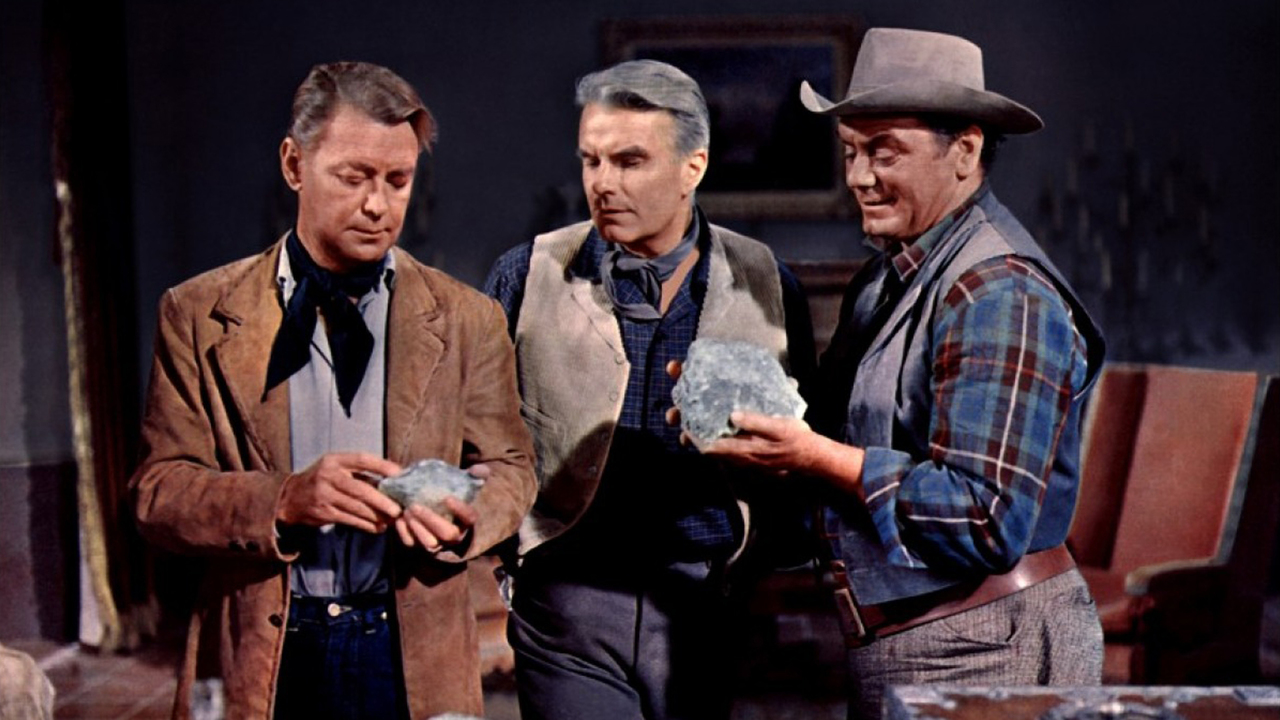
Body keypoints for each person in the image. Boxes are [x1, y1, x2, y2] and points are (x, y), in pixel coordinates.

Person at [688, 28, 1107, 719]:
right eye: (850, 151)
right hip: (916, 643)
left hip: (988, 648)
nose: (859, 177)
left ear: (965, 151)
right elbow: (834, 444)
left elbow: (986, 516)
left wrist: (814, 455)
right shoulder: (886, 280)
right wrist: (740, 432)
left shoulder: (999, 291)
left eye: (885, 152)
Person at [129, 61, 536, 720]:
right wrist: (284, 499)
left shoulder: (468, 319)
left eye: (397, 181)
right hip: (263, 654)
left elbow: (512, 470)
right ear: (294, 164)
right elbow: (158, 493)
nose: (378, 205)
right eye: (353, 177)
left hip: (412, 652)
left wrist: (463, 515)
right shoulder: (197, 313)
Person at [483, 59, 814, 720]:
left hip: (706, 605)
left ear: (694, 166)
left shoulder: (768, 282)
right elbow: (479, 441)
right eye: (592, 161)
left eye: (630, 161)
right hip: (567, 606)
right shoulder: (525, 275)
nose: (603, 184)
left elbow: (803, 460)